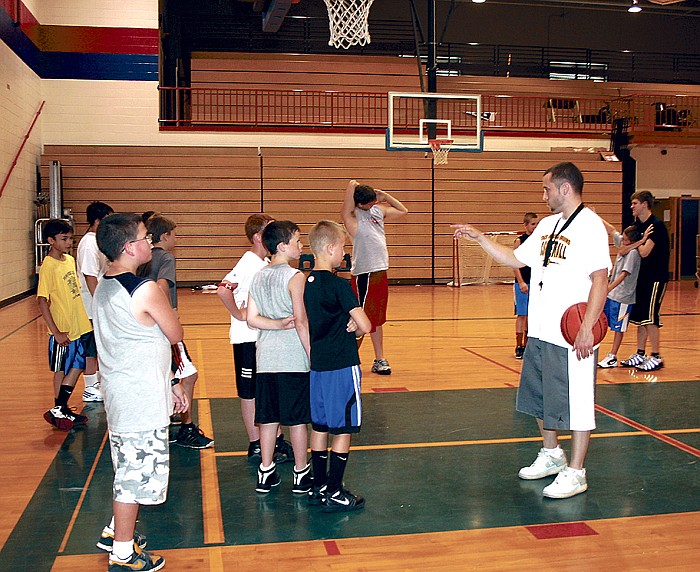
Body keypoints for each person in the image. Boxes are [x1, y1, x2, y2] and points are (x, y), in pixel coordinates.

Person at [452, 162, 610, 499]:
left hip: (572, 334)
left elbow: (600, 278)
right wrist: (480, 237)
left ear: (565, 188)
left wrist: (586, 328)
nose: (544, 196)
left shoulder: (591, 226)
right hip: (540, 329)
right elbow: (514, 259)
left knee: (579, 401)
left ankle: (577, 471)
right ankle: (552, 454)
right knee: (540, 398)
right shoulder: (548, 225)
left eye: (547, 189)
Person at [92, 213, 189, 571]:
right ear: (130, 247)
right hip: (139, 399)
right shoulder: (144, 289)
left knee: (128, 468)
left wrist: (171, 382)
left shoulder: (105, 285)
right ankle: (122, 553)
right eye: (146, 237)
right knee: (133, 479)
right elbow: (174, 332)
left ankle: (114, 531)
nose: (151, 242)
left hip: (125, 393)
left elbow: (141, 342)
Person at [303, 220, 372, 512]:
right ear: (330, 248)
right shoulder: (339, 286)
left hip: (317, 366)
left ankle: (318, 486)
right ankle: (334, 491)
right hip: (343, 367)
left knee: (319, 426)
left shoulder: (304, 283)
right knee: (342, 429)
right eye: (342, 247)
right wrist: (355, 324)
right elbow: (366, 325)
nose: (344, 254)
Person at [217, 214, 294, 463]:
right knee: (250, 393)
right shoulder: (249, 263)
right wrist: (238, 314)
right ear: (259, 237)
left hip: (260, 338)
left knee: (264, 390)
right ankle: (255, 442)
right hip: (246, 338)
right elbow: (223, 289)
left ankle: (274, 438)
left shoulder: (260, 263)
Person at [247, 221, 312, 494]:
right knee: (297, 419)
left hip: (265, 360)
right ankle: (300, 473)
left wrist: (274, 323)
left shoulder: (258, 276)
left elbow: (251, 319)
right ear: (283, 246)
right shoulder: (295, 277)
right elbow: (300, 320)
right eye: (297, 241)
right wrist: (313, 354)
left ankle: (265, 472)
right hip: (293, 359)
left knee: (269, 418)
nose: (301, 246)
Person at [138, 215, 213, 449]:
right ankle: (186, 428)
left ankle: (168, 418)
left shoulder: (143, 259)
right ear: (165, 236)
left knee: (166, 373)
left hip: (145, 323)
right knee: (187, 375)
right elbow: (161, 286)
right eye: (174, 234)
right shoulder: (166, 258)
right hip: (162, 324)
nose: (176, 239)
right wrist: (169, 312)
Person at [340, 180, 408, 375]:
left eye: (372, 202)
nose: (371, 205)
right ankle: (348, 358)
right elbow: (345, 209)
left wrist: (385, 196)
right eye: (367, 203)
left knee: (376, 319)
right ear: (358, 203)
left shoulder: (376, 211)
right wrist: (351, 187)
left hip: (380, 271)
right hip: (365, 274)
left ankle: (379, 359)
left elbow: (403, 211)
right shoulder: (352, 218)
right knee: (361, 318)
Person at [38, 219, 93, 431]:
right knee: (61, 369)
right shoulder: (48, 266)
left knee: (78, 365)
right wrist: (56, 331)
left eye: (70, 238)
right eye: (64, 239)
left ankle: (61, 407)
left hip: (78, 324)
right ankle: (58, 407)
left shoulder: (70, 260)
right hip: (62, 329)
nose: (69, 242)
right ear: (51, 241)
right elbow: (42, 300)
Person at [618, 191, 670, 372]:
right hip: (641, 278)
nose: (631, 206)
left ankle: (656, 356)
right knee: (641, 318)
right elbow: (623, 249)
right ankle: (640, 353)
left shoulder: (656, 226)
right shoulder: (636, 226)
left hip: (656, 277)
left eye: (634, 203)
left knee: (651, 317)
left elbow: (645, 252)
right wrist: (641, 239)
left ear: (645, 204)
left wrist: (640, 242)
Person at [77, 201, 114, 402]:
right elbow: (90, 276)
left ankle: (97, 382)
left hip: (98, 301)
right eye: (106, 219)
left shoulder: (99, 241)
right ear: (97, 220)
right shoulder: (88, 243)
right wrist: (99, 301)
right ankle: (90, 386)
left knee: (99, 345)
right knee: (91, 346)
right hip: (90, 305)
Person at [597, 225, 642, 368]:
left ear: (632, 241)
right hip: (612, 295)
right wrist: (595, 216)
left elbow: (624, 274)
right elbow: (612, 230)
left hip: (623, 297)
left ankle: (612, 356)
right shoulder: (625, 245)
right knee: (601, 320)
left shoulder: (633, 253)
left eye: (626, 240)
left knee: (618, 328)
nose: (622, 241)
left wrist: (608, 287)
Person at [513, 212, 538, 359]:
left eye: (537, 224)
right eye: (533, 224)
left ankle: (528, 344)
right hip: (523, 282)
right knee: (522, 314)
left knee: (532, 315)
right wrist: (521, 282)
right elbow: (515, 263)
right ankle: (519, 345)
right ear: (526, 225)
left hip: (535, 282)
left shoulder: (539, 241)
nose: (535, 227)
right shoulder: (520, 240)